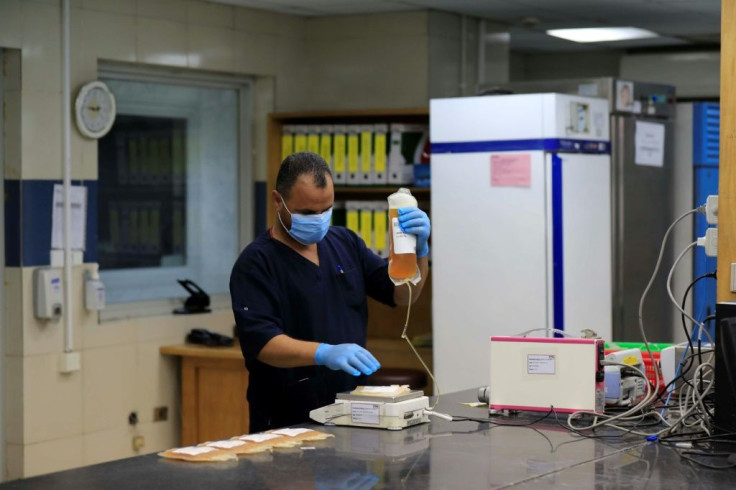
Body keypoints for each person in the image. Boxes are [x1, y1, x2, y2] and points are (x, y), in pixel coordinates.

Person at [230, 152, 430, 432]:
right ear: (278, 201)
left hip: (352, 410)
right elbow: (263, 343)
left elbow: (402, 295)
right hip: (289, 418)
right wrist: (324, 353)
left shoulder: (344, 242)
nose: (319, 220)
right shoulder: (257, 263)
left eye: (326, 210)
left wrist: (418, 252)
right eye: (307, 213)